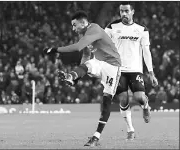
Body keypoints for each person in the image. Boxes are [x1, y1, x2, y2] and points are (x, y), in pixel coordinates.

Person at [43, 11, 121, 147]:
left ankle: (96, 136)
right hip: (99, 62)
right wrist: (76, 76)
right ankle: (71, 77)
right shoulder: (82, 33)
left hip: (113, 67)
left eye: (74, 25)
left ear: (83, 22)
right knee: (89, 64)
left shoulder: (94, 29)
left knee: (106, 101)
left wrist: (55, 49)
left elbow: (78, 47)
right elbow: (85, 55)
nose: (73, 29)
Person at [104, 2, 158, 140]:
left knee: (139, 97)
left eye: (127, 11)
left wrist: (151, 73)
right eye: (121, 11)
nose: (124, 14)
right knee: (123, 99)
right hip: (118, 70)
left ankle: (145, 106)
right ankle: (130, 129)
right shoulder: (111, 27)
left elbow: (146, 52)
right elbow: (102, 44)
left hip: (135, 70)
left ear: (132, 11)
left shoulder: (141, 29)